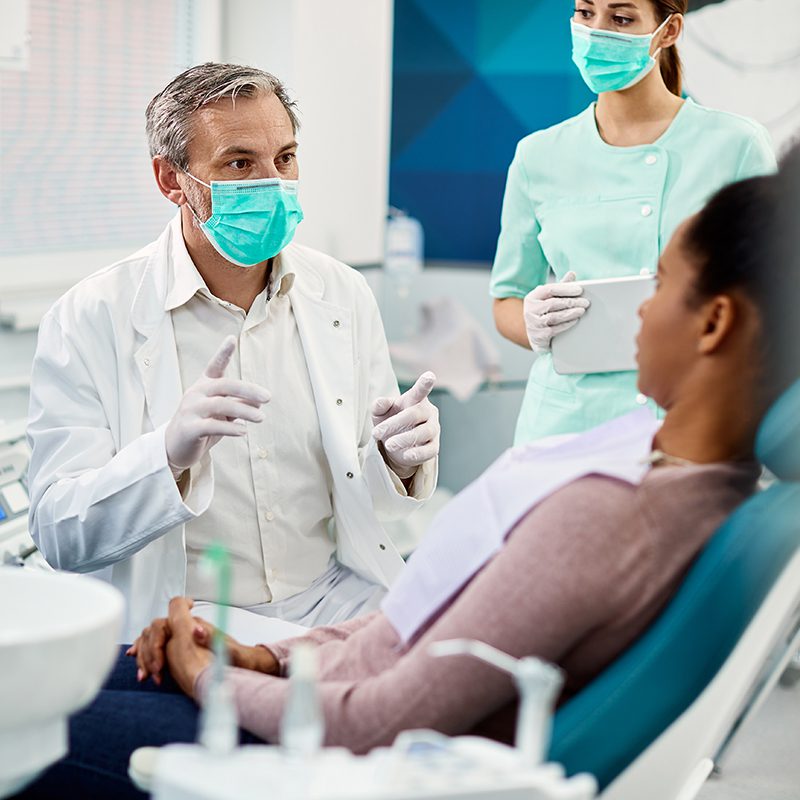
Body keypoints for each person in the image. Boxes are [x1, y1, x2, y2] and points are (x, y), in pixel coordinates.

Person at [20, 143, 800, 800]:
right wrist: (257, 652)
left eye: (659, 284)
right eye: (239, 163)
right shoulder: (679, 481)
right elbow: (420, 629)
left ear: (717, 320)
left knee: (23, 727)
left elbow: (375, 721)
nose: (637, 310)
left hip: (331, 756)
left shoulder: (612, 513)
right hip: (305, 667)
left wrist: (205, 674)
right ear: (172, 179)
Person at [25, 63, 440, 641]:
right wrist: (166, 457)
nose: (273, 183)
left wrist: (393, 463)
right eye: (239, 163)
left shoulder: (341, 293)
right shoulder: (90, 317)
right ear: (172, 181)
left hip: (335, 603)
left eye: (286, 158)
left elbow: (372, 508)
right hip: (190, 623)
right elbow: (58, 533)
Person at [490, 0, 776, 444]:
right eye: (585, 13)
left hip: (690, 421)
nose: (596, 32)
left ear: (668, 30)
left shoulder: (736, 145)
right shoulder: (538, 156)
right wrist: (530, 323)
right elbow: (506, 298)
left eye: (621, 18)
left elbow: (772, 296)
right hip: (564, 429)